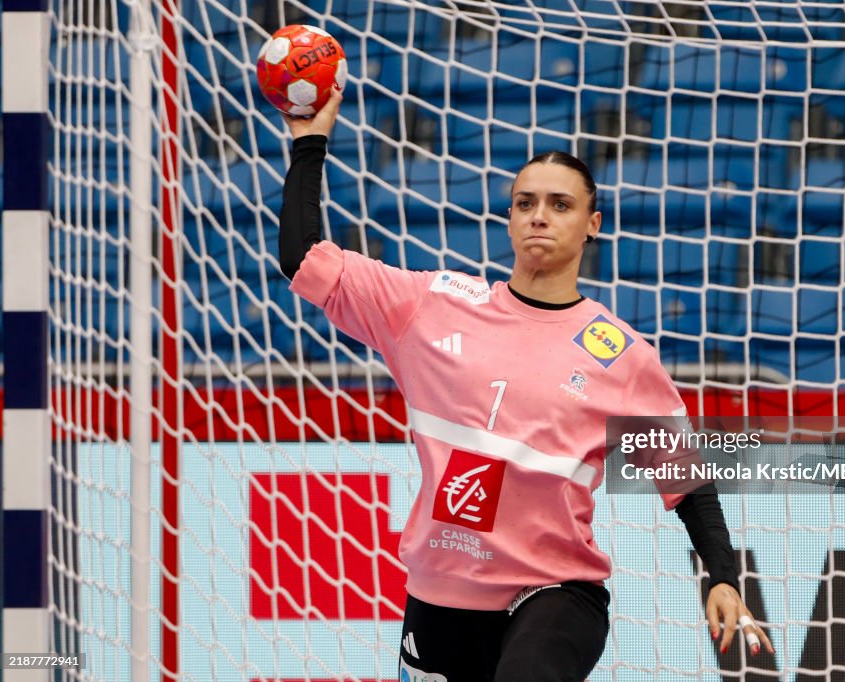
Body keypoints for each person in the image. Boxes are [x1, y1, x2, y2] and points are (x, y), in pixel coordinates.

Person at [278, 86, 774, 681]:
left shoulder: (620, 354)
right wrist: (309, 141)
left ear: (592, 224)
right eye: (525, 202)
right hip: (442, 595)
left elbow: (686, 483)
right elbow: (304, 257)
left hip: (556, 592)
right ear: (510, 216)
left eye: (560, 205)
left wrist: (721, 576)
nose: (539, 214)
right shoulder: (430, 306)